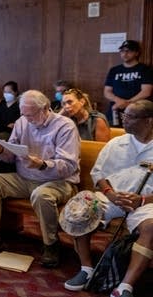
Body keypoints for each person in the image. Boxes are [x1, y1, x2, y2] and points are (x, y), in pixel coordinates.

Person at [0, 90, 80, 268]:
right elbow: (11, 156)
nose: (26, 119)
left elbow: (69, 165)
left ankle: (51, 244)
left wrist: (44, 164)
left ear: (45, 109)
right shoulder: (22, 122)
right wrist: (1, 151)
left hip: (58, 181)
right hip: (26, 178)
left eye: (30, 115)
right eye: (23, 114)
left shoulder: (65, 126)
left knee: (41, 194)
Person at [61, 100, 153, 297]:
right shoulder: (116, 142)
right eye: (124, 115)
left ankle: (125, 286)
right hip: (113, 197)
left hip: (147, 203)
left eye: (130, 116)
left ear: (149, 121)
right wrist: (110, 193)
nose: (123, 120)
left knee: (151, 227)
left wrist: (143, 200)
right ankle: (86, 269)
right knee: (80, 207)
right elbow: (98, 174)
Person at [104, 40, 153, 127]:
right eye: (122, 51)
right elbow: (107, 91)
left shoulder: (145, 69)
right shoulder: (114, 70)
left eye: (128, 51)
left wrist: (128, 103)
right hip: (116, 109)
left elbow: (146, 91)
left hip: (137, 110)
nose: (125, 54)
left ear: (137, 53)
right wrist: (118, 101)